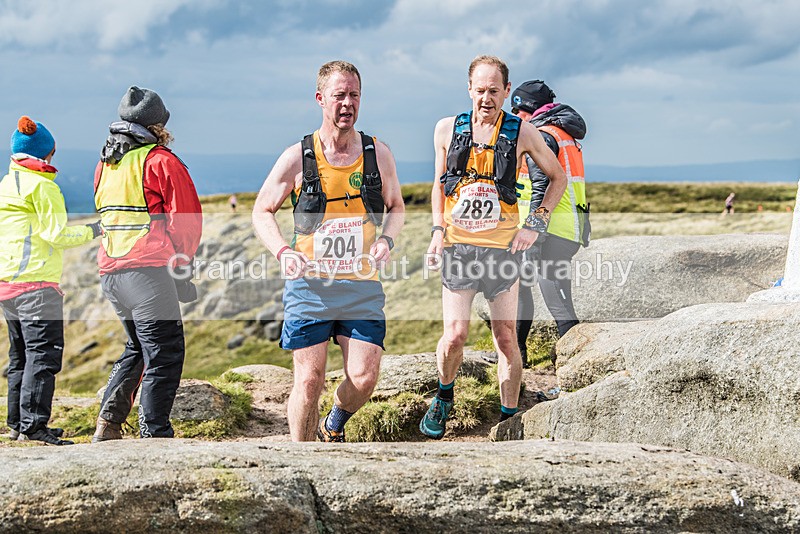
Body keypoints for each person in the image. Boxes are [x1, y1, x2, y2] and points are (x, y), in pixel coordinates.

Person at [252, 61, 405, 442]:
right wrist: (283, 251)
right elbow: (261, 210)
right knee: (308, 381)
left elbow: (397, 206)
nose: (347, 104)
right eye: (339, 95)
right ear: (321, 99)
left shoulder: (377, 153)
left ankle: (334, 421)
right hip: (311, 288)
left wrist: (386, 240)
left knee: (365, 378)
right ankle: (301, 460)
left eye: (354, 95)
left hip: (361, 286)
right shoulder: (298, 157)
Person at [420, 56, 568, 439]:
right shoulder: (446, 129)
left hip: (503, 253)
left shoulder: (521, 131)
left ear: (506, 90)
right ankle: (444, 396)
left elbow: (557, 177)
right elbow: (439, 184)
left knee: (506, 337)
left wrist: (536, 223)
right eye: (480, 90)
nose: (486, 98)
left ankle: (508, 419)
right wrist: (437, 231)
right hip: (458, 248)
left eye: (494, 90)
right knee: (454, 335)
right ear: (469, 89)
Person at [92, 86, 203, 442]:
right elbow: (186, 221)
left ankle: (109, 423)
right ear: (158, 124)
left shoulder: (105, 164)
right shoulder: (159, 160)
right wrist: (182, 265)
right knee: (166, 351)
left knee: (139, 346)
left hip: (111, 272)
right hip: (147, 274)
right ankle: (154, 433)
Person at [0, 116, 102, 445]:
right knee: (43, 356)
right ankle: (34, 427)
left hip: (7, 284)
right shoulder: (44, 187)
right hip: (37, 285)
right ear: (46, 154)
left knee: (20, 357)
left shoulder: (7, 184)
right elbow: (56, 235)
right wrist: (94, 230)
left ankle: (17, 423)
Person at [511, 80, 590, 365]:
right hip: (562, 229)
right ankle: (517, 356)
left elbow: (542, 185)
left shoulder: (542, 135)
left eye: (517, 110)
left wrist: (533, 231)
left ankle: (575, 368)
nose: (513, 118)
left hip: (550, 232)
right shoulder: (560, 132)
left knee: (559, 306)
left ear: (529, 109)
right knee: (520, 285)